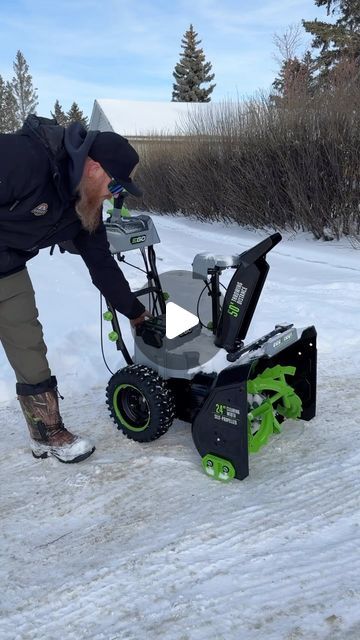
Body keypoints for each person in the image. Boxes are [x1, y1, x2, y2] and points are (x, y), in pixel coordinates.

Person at [0, 114, 149, 463]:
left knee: (28, 343)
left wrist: (135, 311)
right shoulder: (25, 158)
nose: (114, 196)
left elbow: (102, 264)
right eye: (115, 186)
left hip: (7, 267)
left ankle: (47, 434)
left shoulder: (84, 208)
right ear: (94, 167)